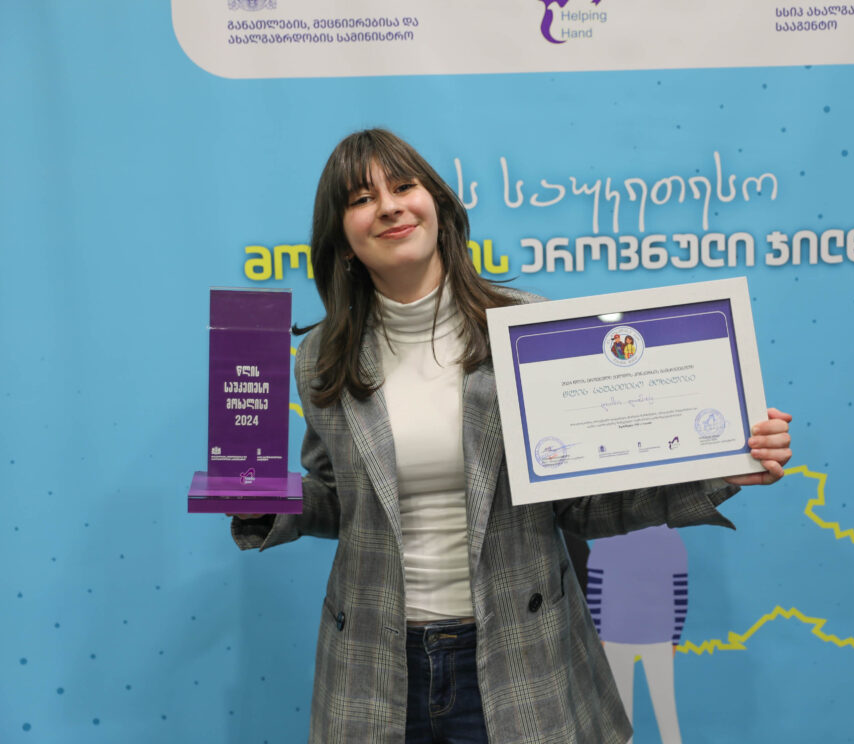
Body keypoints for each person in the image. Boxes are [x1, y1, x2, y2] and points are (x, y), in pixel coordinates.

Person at [230, 129, 793, 744]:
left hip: (520, 655)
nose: (388, 206)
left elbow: (581, 504)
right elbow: (341, 499)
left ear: (438, 206)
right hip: (373, 666)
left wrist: (716, 466)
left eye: (404, 186)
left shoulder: (527, 330)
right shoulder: (320, 357)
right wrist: (262, 498)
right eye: (362, 198)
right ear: (341, 240)